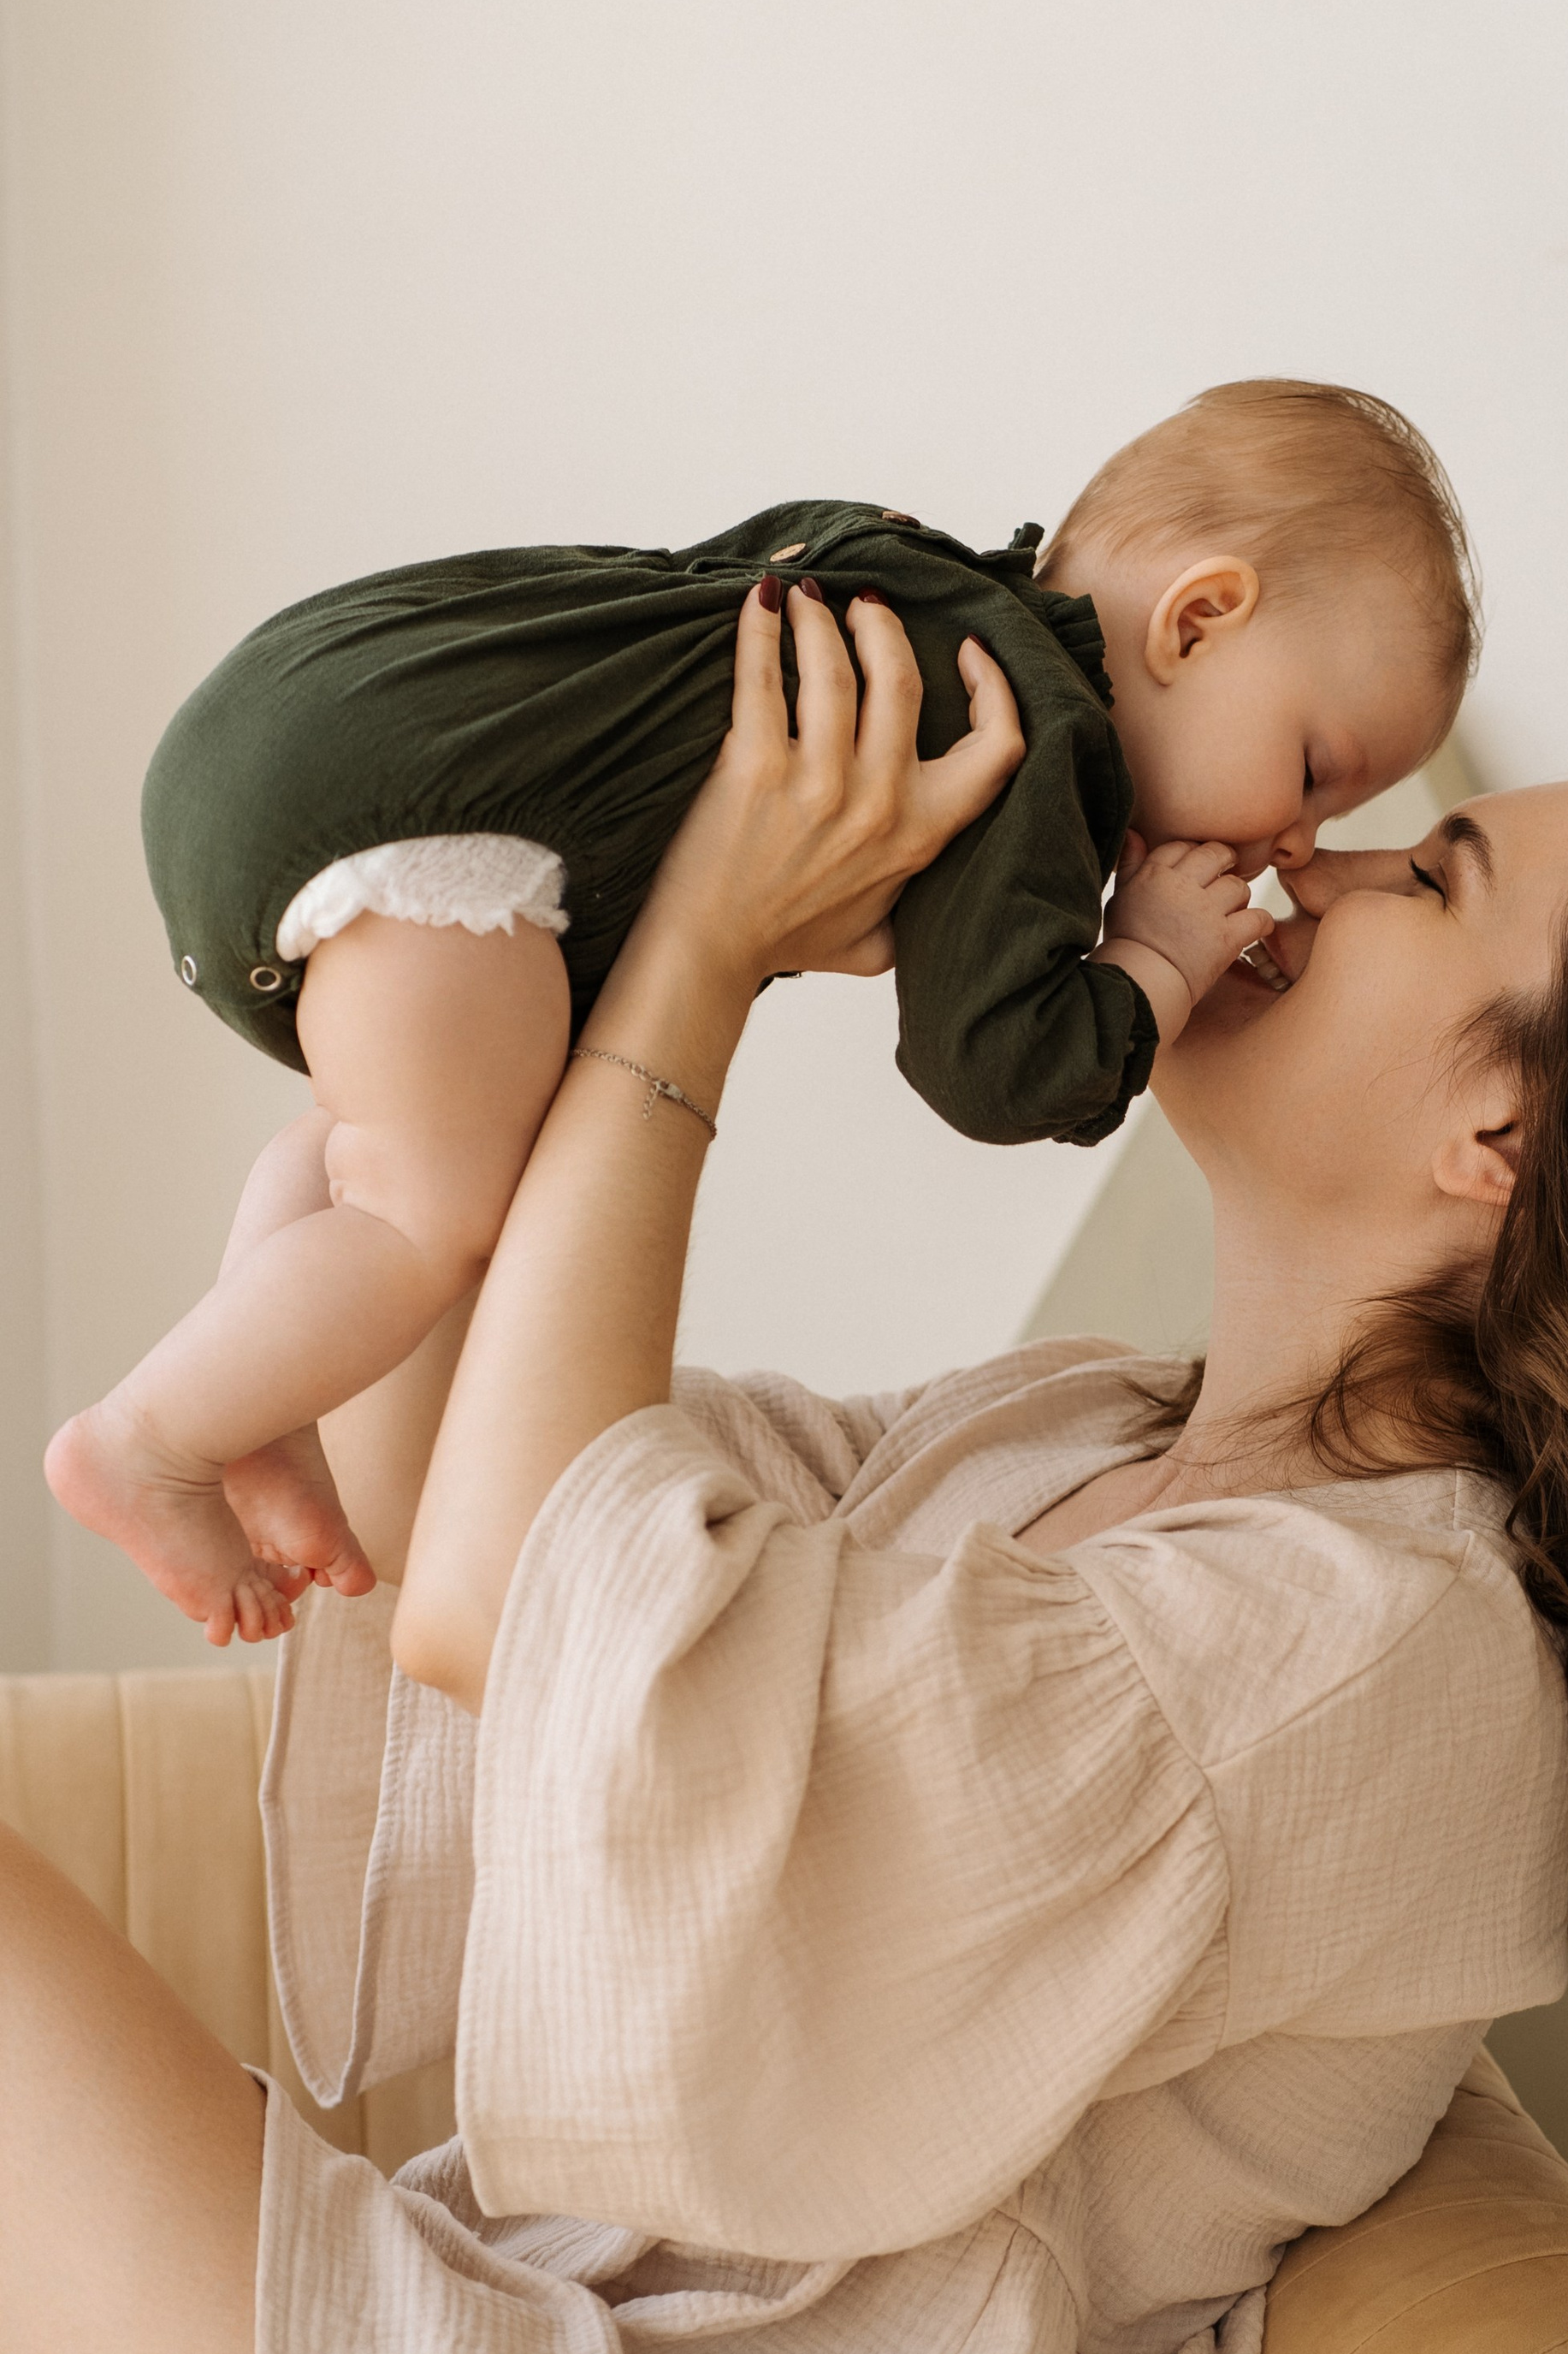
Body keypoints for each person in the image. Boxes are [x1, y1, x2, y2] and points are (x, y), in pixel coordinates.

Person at [0, 581, 1568, 2354]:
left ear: (1498, 1145)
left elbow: (534, 1610)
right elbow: (461, 1510)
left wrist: (708, 950)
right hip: (515, 2339)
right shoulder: (1089, 1427)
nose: (1308, 862)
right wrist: (460, 1088)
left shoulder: (1379, 1648)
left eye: (1427, 876)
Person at [47, 378, 1471, 1645]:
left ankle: (261, 1395)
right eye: (1316, 768)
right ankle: (147, 1437)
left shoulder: (904, 564)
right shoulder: (1037, 735)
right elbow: (993, 1069)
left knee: (359, 1149)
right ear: (1199, 618)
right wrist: (1150, 960)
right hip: (421, 821)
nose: (1299, 843)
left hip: (305, 707)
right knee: (423, 1211)